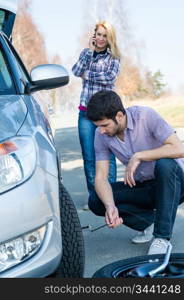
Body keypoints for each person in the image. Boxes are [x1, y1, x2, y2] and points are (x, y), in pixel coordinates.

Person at [86, 90, 184, 255]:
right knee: (96, 200)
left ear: (119, 115)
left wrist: (139, 156)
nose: (101, 130)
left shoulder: (145, 116)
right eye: (98, 126)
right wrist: (110, 206)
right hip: (146, 186)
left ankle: (161, 238)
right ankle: (148, 222)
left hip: (176, 183)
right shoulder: (100, 135)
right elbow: (101, 177)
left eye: (104, 125)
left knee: (165, 164)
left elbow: (179, 149)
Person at [72, 21, 121, 201]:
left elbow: (109, 78)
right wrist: (90, 54)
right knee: (89, 156)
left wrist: (88, 73)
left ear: (110, 38)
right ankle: (95, 197)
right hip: (85, 113)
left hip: (105, 114)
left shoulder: (114, 57)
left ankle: (112, 194)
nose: (101, 39)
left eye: (104, 35)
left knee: (108, 154)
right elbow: (76, 70)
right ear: (94, 36)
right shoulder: (86, 53)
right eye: (98, 34)